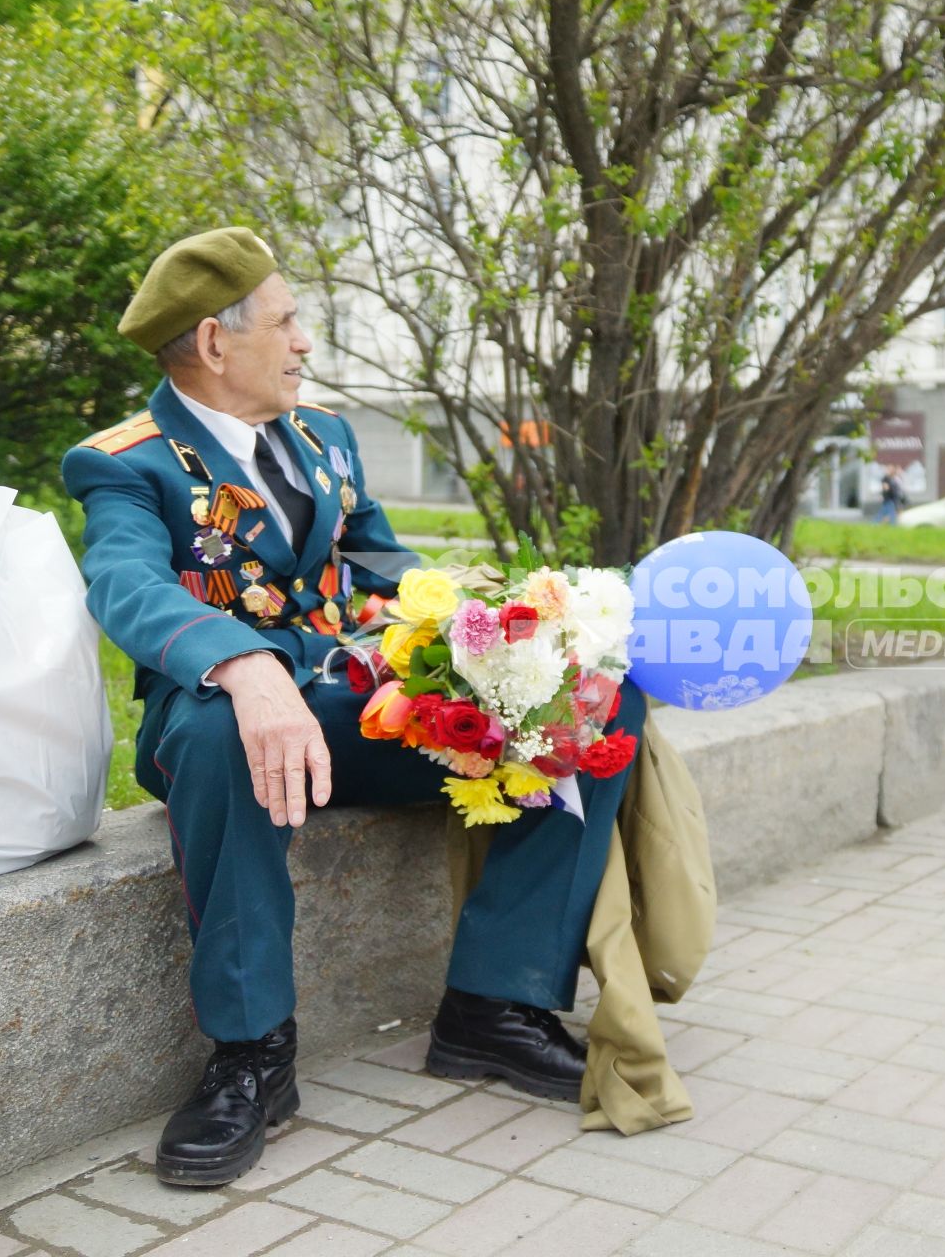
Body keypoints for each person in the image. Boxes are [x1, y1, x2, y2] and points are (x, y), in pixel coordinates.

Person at [62, 227, 649, 1186]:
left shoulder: (322, 436)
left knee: (595, 701)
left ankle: (494, 1007)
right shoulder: (127, 463)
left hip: (351, 708)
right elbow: (125, 583)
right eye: (288, 322)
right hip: (228, 722)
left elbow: (379, 562)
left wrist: (493, 632)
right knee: (219, 731)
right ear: (215, 343)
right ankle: (252, 1057)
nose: (303, 343)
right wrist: (245, 670)